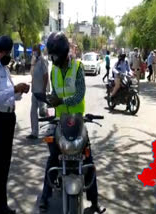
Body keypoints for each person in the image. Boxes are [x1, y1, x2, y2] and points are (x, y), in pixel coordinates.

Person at [39, 32, 106, 214]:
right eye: (51, 56)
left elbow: (79, 95)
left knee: (88, 159)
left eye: (55, 56)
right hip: (60, 121)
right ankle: (45, 197)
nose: (52, 60)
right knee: (53, 157)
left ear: (63, 53)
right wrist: (50, 100)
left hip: (77, 120)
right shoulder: (53, 70)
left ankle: (94, 201)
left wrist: (61, 101)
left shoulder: (78, 68)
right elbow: (55, 93)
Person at [0, 35, 30, 214]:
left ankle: (2, 205)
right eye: (5, 52)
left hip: (8, 118)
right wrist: (14, 88)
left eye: (9, 52)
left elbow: (11, 95)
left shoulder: (5, 69)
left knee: (6, 164)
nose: (8, 55)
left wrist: (20, 91)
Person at [26, 44, 49, 140]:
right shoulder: (34, 61)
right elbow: (32, 73)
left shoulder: (42, 61)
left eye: (35, 50)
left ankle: (50, 129)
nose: (34, 52)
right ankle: (34, 133)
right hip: (34, 91)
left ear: (39, 51)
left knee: (43, 112)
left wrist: (44, 89)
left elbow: (46, 75)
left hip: (40, 91)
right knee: (33, 112)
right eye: (33, 50)